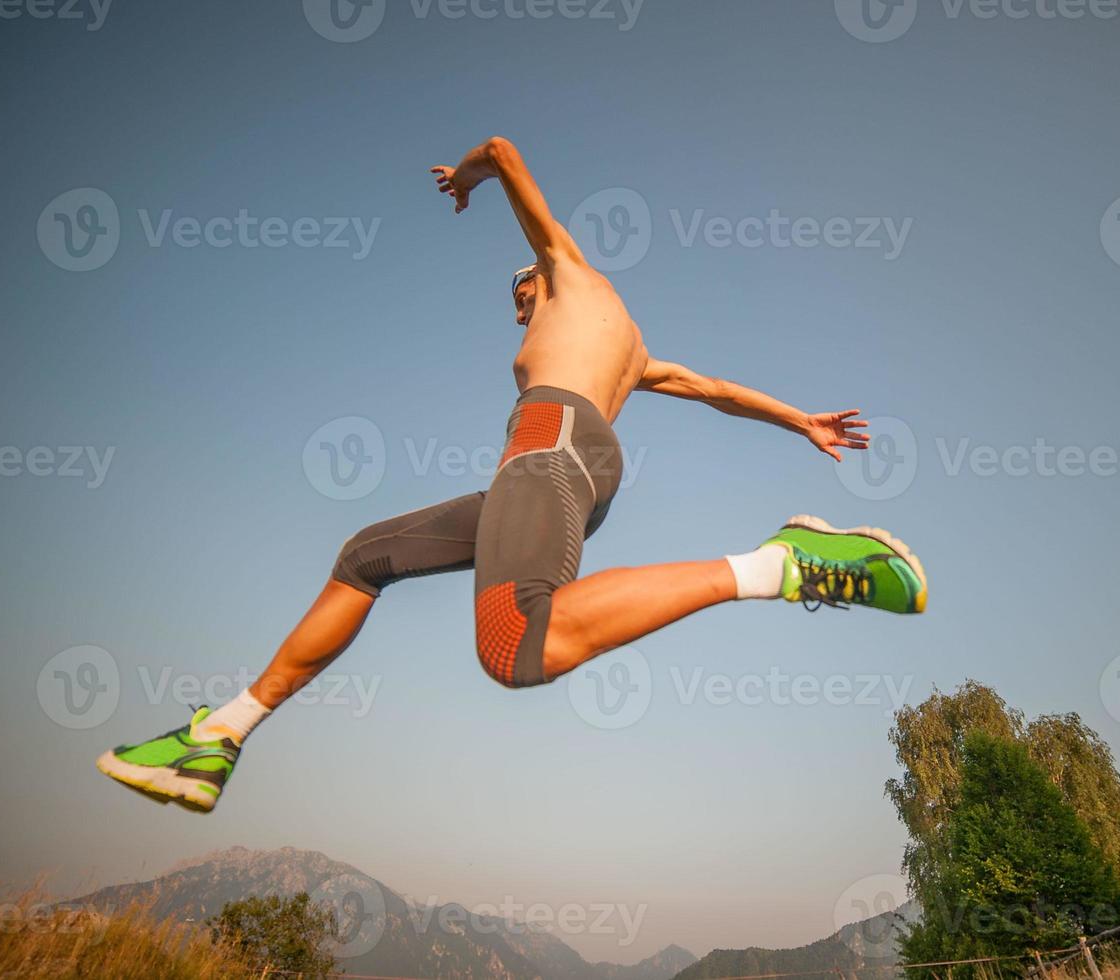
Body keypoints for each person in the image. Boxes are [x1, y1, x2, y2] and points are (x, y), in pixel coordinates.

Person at [96, 137, 926, 813]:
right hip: (560, 463)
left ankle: (774, 565)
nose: (516, 305)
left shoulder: (567, 273)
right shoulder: (632, 351)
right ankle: (222, 734)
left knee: (513, 645)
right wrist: (799, 420)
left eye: (518, 290)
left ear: (540, 275)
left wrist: (466, 176)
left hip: (550, 444)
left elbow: (503, 150)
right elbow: (715, 392)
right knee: (365, 556)